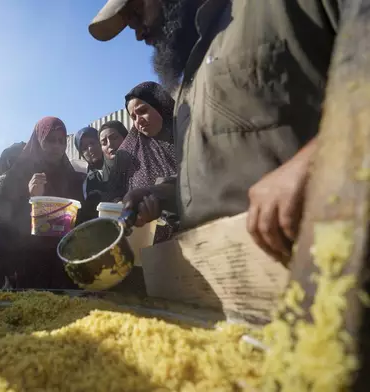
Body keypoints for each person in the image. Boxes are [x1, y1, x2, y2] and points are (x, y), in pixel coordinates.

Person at [89, 0, 340, 261]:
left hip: (319, 256)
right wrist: (161, 195)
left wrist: (314, 163)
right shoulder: (189, 80)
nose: (139, 34)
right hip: (227, 272)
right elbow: (215, 174)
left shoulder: (275, 9)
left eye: (137, 13)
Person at [0, 117, 83, 289]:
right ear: (38, 139)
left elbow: (79, 218)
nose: (56, 146)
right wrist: (31, 198)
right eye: (50, 140)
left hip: (62, 265)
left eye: (61, 141)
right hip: (26, 265)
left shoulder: (70, 176)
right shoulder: (18, 175)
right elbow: (1, 220)